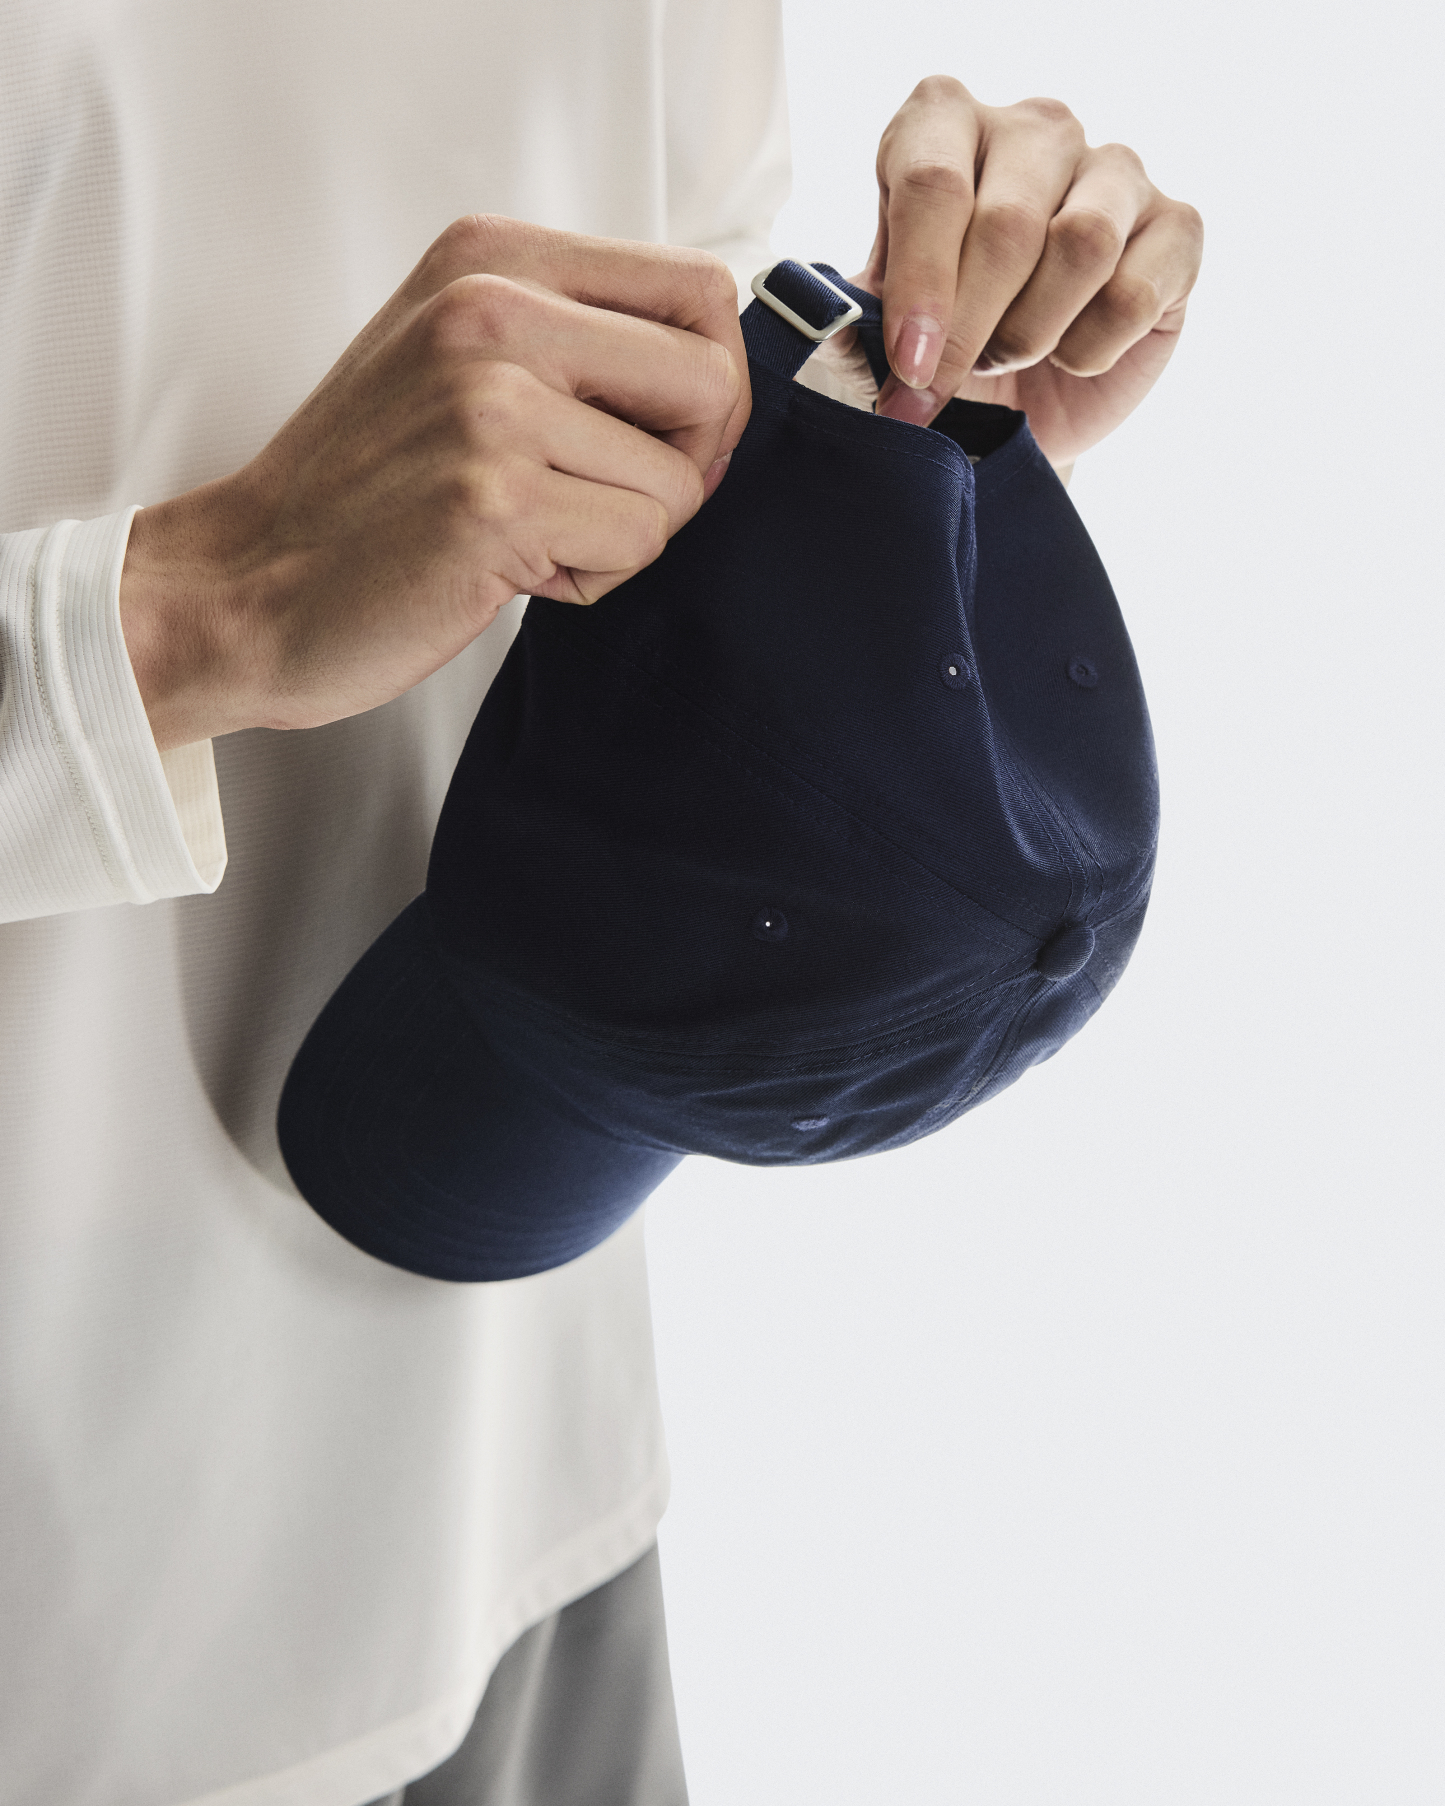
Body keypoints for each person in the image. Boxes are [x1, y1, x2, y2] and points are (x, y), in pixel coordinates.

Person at [0, 3, 1202, 1801]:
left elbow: (660, 343)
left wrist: (889, 484)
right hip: (87, 1640)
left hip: (534, 1520)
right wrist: (189, 612)